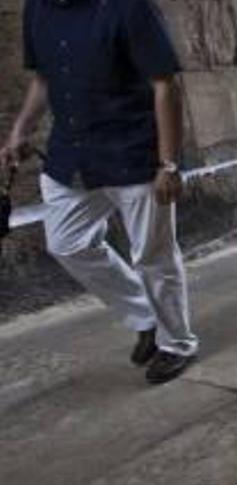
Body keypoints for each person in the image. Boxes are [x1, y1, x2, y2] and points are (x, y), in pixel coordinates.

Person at [1, 0, 198, 384]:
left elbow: (165, 85)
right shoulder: (37, 10)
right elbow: (43, 78)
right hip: (71, 155)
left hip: (134, 152)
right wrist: (21, 129)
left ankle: (176, 343)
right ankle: (145, 316)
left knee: (152, 256)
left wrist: (169, 164)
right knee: (67, 243)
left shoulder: (130, 7)